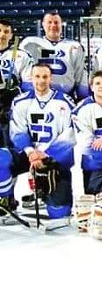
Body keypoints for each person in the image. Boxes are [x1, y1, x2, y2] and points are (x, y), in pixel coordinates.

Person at [0, 63, 75, 222]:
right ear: (31, 78)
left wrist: (45, 154)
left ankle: (46, 196)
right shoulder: (20, 101)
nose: (41, 81)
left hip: (53, 157)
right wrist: (30, 152)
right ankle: (5, 199)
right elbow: (17, 131)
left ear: (51, 78)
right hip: (27, 154)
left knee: (59, 213)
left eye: (45, 77)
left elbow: (69, 135)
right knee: (1, 157)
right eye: (37, 76)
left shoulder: (65, 102)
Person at [20, 11, 87, 100]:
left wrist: (82, 97)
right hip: (35, 97)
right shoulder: (30, 43)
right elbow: (21, 68)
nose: (53, 25)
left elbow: (80, 75)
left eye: (56, 22)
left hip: (64, 97)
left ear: (61, 25)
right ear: (43, 25)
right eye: (49, 22)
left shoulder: (74, 46)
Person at [0, 19, 33, 147]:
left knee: (10, 143)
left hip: (10, 107)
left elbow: (29, 87)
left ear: (11, 35)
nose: (2, 35)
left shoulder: (22, 56)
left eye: (6, 32)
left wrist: (15, 93)